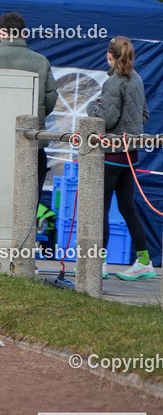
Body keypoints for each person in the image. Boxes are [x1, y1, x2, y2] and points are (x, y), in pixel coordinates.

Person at [88, 36, 157, 282]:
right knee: (128, 207)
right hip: (132, 155)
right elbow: (145, 115)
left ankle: (99, 264)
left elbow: (105, 118)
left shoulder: (114, 83)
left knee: (101, 209)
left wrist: (92, 106)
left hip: (111, 156)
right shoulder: (137, 79)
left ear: (110, 56)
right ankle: (144, 261)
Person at [0, 12, 58, 194]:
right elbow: (51, 96)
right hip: (32, 140)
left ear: (2, 34)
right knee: (30, 195)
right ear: (24, 34)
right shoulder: (41, 62)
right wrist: (39, 114)